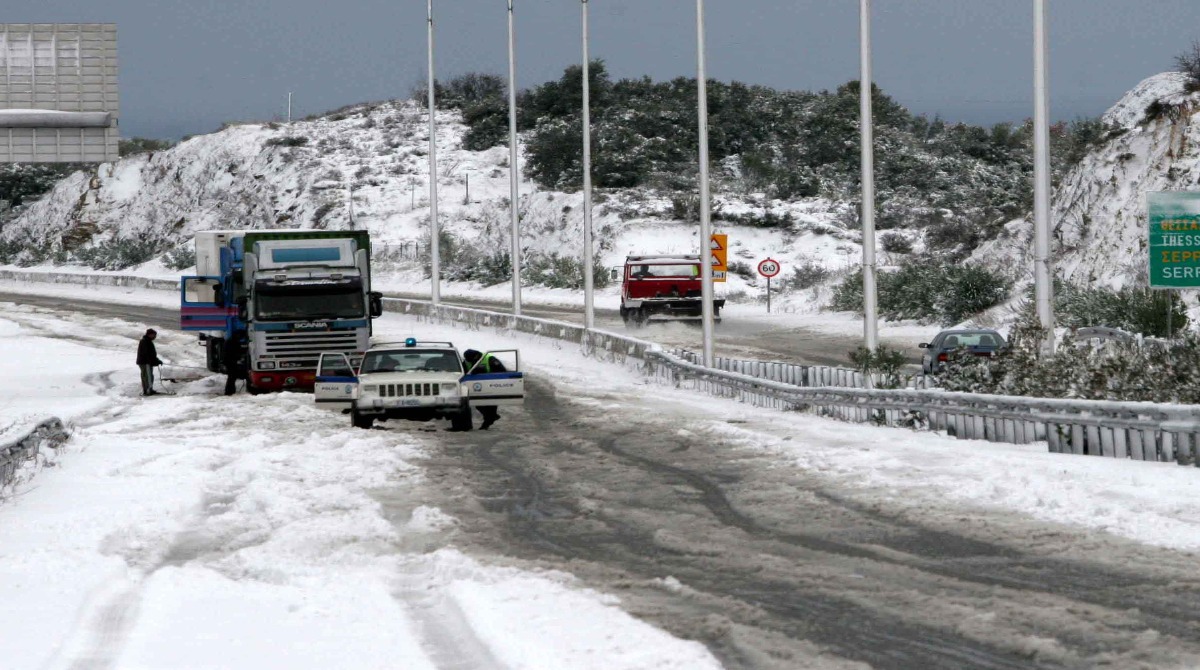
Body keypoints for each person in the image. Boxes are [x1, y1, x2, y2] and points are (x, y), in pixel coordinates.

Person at [463, 349, 506, 430]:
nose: (468, 361)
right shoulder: (466, 361)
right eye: (467, 359)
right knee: (479, 405)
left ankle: (486, 424)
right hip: (478, 388)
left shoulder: (490, 359)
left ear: (475, 356)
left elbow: (502, 371)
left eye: (469, 359)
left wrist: (484, 373)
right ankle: (491, 417)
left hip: (492, 386)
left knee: (491, 406)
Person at [136, 328, 163, 396]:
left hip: (147, 362)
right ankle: (148, 390)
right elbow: (147, 354)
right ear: (150, 334)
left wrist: (156, 360)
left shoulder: (148, 341)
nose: (155, 336)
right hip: (145, 363)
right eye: (154, 335)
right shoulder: (144, 341)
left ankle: (149, 389)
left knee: (149, 376)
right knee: (147, 376)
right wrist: (153, 361)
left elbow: (151, 354)